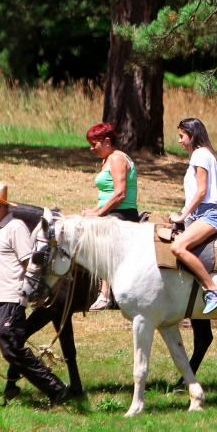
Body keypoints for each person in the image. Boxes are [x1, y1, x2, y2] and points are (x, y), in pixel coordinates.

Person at [0, 182, 69, 409]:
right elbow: (2, 265)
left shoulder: (15, 227)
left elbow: (29, 264)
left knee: (12, 349)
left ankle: (56, 388)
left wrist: (32, 293)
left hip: (10, 300)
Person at [169, 118, 217, 314]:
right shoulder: (205, 154)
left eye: (182, 136)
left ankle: (214, 291)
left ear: (192, 135)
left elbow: (202, 192)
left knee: (178, 247)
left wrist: (182, 215)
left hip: (208, 214)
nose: (179, 140)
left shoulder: (199, 154)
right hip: (201, 213)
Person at [82, 123, 138, 311]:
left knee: (103, 244)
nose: (91, 148)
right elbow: (106, 193)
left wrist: (98, 214)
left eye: (94, 144)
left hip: (123, 213)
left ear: (107, 141)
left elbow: (120, 194)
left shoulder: (117, 159)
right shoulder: (107, 159)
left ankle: (105, 294)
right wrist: (92, 211)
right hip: (110, 210)